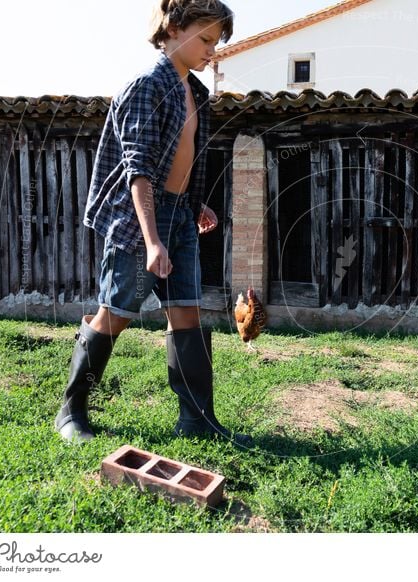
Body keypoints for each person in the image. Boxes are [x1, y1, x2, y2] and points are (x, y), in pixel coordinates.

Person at [54, 0, 251, 447]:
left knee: (186, 312)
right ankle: (72, 412)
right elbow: (138, 170)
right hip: (139, 218)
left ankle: (197, 419)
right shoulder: (148, 85)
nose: (211, 51)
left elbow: (181, 159)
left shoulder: (195, 91)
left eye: (216, 43)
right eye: (205, 39)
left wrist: (193, 203)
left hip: (180, 215)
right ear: (174, 27)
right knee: (117, 312)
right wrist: (152, 240)